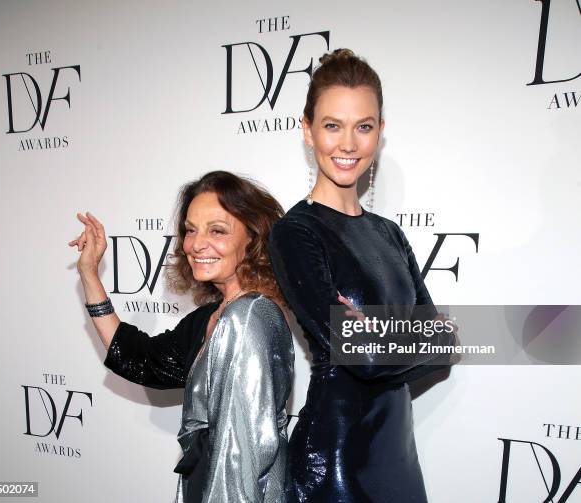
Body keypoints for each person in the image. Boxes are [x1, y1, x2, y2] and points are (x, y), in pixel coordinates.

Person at [267, 49, 456, 502]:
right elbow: (367, 358)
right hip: (334, 461)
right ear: (307, 131)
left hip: (397, 453)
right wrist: (417, 336)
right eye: (332, 125)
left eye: (363, 126)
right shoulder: (296, 233)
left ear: (380, 133)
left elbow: (444, 348)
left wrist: (384, 337)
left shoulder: (388, 234)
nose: (348, 144)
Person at [69, 170, 294, 503]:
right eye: (190, 230)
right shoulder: (217, 314)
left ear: (253, 238)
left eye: (217, 230)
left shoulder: (247, 319)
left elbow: (240, 459)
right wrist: (89, 274)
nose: (196, 244)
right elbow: (143, 362)